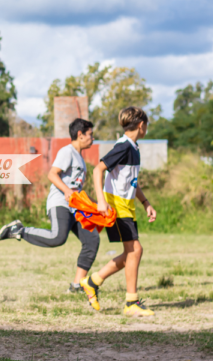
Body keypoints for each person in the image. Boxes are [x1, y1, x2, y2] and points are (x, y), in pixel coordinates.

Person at [0, 118, 99, 293]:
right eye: (90, 135)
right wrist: (67, 191)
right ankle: (19, 230)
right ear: (80, 135)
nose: (93, 138)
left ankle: (77, 286)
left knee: (92, 240)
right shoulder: (67, 152)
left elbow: (76, 187)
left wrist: (92, 203)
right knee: (57, 238)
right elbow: (53, 175)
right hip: (60, 203)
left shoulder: (80, 158)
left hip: (76, 208)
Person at [80, 106, 157, 317]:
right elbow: (98, 169)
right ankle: (131, 302)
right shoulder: (123, 146)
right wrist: (102, 201)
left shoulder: (133, 147)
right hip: (117, 207)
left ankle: (92, 281)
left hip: (127, 206)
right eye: (147, 125)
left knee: (131, 253)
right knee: (135, 251)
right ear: (141, 125)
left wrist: (145, 203)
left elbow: (132, 181)